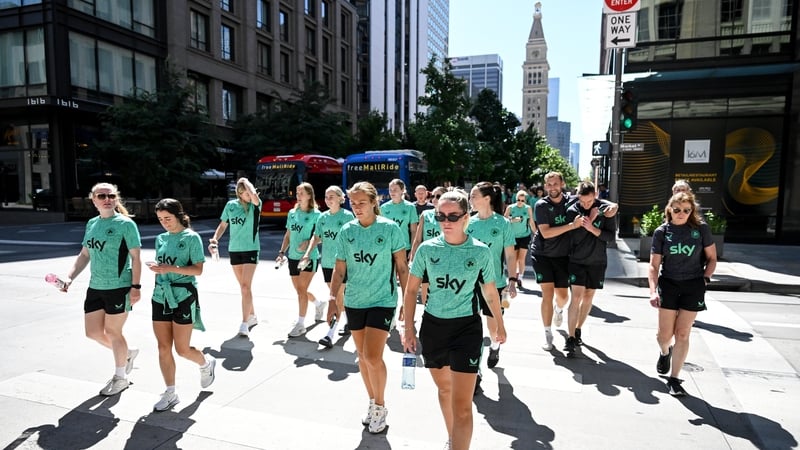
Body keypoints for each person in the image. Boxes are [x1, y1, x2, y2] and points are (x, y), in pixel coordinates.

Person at [402, 190, 507, 450]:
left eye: (453, 216)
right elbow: (411, 290)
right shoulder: (427, 249)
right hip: (433, 328)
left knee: (462, 406)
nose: (446, 221)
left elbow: (490, 291)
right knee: (445, 390)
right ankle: (453, 439)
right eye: (440, 216)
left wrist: (500, 325)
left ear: (466, 217)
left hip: (466, 329)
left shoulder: (480, 251)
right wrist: (408, 328)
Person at [328, 181, 409, 434]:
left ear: (374, 202)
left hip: (383, 300)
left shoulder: (391, 229)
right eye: (353, 203)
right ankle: (372, 401)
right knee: (362, 357)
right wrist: (333, 299)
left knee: (373, 356)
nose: (357, 207)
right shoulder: (347, 231)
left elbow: (403, 268)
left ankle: (380, 407)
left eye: (362, 202)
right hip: (354, 301)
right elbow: (339, 268)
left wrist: (407, 301)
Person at [60, 182, 142, 396]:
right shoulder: (92, 224)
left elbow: (136, 258)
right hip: (95, 286)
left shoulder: (125, 224)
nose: (107, 198)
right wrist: (69, 278)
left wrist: (135, 287)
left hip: (119, 286)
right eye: (101, 195)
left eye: (110, 195)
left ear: (116, 198)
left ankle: (120, 377)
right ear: (93, 200)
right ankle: (127, 354)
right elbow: (85, 254)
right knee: (93, 333)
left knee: (113, 332)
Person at [531, 172, 618, 351]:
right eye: (549, 184)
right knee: (548, 294)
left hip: (564, 256)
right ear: (545, 186)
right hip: (543, 253)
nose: (552, 187)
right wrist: (575, 225)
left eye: (555, 184)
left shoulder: (572, 200)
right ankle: (549, 334)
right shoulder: (542, 205)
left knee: (563, 297)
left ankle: (560, 311)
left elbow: (598, 202)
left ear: (562, 184)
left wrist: (613, 206)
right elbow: (547, 233)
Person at [148, 199, 216, 411]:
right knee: (162, 347)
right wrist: (159, 269)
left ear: (179, 215)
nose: (164, 223)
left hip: (183, 295)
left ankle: (205, 364)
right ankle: (170, 392)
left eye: (168, 218)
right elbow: (164, 265)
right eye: (160, 219)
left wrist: (170, 268)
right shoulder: (160, 238)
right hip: (160, 295)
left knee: (183, 349)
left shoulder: (191, 238)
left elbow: (197, 270)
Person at [648, 191, 716, 396]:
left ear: (691, 211)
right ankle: (664, 352)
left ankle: (675, 379)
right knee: (664, 335)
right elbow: (653, 266)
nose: (681, 213)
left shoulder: (700, 229)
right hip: (669, 284)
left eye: (686, 210)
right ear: (670, 209)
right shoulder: (662, 232)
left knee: (683, 333)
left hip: (693, 285)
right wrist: (653, 291)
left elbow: (712, 258)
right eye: (677, 210)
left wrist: (705, 279)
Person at [467, 182, 517, 384]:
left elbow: (511, 255)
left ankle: (495, 347)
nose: (470, 200)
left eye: (473, 196)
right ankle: (475, 371)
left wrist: (512, 280)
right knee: (473, 328)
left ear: (487, 199)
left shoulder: (502, 223)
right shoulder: (468, 223)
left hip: (494, 282)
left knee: (493, 327)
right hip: (470, 283)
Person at [563, 181, 617, 355]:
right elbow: (575, 237)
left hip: (597, 261)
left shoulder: (606, 210)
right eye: (582, 201)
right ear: (578, 197)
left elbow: (609, 237)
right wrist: (591, 219)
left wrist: (593, 228)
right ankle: (570, 337)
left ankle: (578, 328)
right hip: (576, 260)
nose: (586, 205)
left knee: (588, 297)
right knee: (576, 297)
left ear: (595, 196)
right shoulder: (573, 211)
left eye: (589, 201)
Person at [300, 185, 355, 348]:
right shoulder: (322, 218)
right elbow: (316, 238)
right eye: (326, 196)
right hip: (327, 262)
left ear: (340, 198)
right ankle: (348, 321)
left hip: (343, 263)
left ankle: (330, 333)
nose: (328, 199)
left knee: (336, 296)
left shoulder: (347, 216)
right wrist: (307, 253)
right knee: (338, 296)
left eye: (332, 196)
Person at [209, 177, 261, 337]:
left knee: (245, 286)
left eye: (248, 192)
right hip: (234, 250)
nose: (247, 194)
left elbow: (254, 196)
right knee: (244, 287)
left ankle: (244, 323)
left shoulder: (254, 205)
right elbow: (223, 225)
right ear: (238, 194)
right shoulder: (231, 206)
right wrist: (214, 239)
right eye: (243, 192)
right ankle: (252, 315)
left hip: (251, 249)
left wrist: (246, 182)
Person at [279, 182, 323, 338]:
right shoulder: (292, 212)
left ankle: (300, 324)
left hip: (309, 258)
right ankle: (318, 304)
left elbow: (321, 237)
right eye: (297, 193)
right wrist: (282, 251)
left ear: (309, 195)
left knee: (302, 291)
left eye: (301, 193)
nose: (298, 195)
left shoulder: (317, 215)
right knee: (300, 291)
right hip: (293, 257)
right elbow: (288, 234)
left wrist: (309, 243)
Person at [410, 185, 447, 305]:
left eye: (438, 196)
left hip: (444, 258)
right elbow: (417, 239)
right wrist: (412, 258)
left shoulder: (450, 216)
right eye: (433, 196)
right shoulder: (425, 215)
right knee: (425, 288)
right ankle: (426, 313)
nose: (434, 199)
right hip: (427, 257)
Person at [504, 189, 536, 290]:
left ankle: (520, 279)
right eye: (518, 200)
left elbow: (531, 222)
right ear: (515, 199)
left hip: (524, 236)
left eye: (522, 200)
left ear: (525, 201)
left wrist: (536, 234)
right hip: (512, 237)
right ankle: (512, 278)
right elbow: (504, 221)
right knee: (514, 259)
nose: (520, 202)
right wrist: (512, 220)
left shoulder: (528, 208)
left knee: (521, 259)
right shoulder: (510, 208)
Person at [380, 178, 419, 256]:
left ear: (402, 190)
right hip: (387, 248)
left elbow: (414, 231)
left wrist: (413, 250)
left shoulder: (410, 207)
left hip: (404, 247)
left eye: (395, 189)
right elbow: (381, 230)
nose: (392, 192)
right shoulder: (383, 207)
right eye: (390, 189)